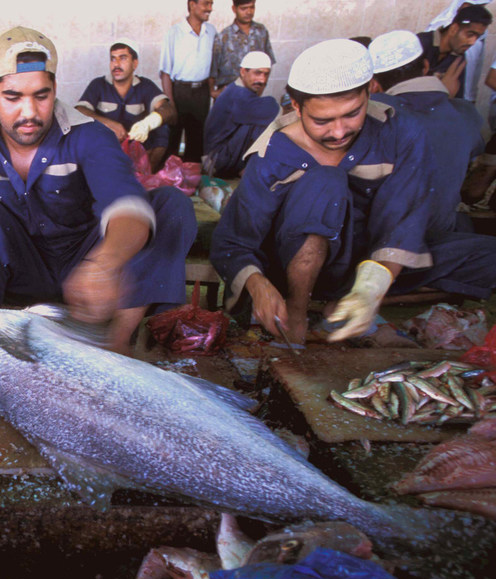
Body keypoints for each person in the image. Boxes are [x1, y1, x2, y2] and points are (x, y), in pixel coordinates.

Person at [0, 26, 198, 354]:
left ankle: (120, 339)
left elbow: (126, 206)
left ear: (54, 89)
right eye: (13, 97)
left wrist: (103, 265)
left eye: (40, 95)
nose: (29, 112)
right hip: (17, 279)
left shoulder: (89, 136)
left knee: (171, 205)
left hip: (90, 274)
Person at [210, 39, 496, 347]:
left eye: (352, 113)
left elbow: (404, 220)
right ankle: (298, 312)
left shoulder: (402, 133)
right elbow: (232, 240)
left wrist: (370, 287)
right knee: (327, 182)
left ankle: (354, 304)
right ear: (295, 106)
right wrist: (258, 285)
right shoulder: (274, 150)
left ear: (369, 91)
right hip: (294, 272)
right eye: (322, 120)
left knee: (486, 255)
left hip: (370, 263)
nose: (338, 131)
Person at [370, 30, 484, 235]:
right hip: (440, 234)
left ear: (373, 83)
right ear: (425, 67)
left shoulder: (372, 110)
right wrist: (444, 96)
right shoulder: (466, 113)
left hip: (383, 239)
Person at [76, 39, 177, 171]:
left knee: (162, 129)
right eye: (113, 59)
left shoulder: (145, 86)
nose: (116, 64)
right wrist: (108, 124)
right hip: (106, 148)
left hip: (138, 150)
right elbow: (79, 110)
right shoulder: (98, 85)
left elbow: (169, 110)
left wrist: (147, 124)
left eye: (123, 58)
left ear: (135, 63)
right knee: (81, 130)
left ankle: (145, 175)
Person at [202, 51, 278, 178]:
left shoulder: (235, 88)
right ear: (243, 72)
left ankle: (246, 167)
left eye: (266, 74)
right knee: (261, 122)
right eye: (257, 73)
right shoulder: (238, 95)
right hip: (216, 161)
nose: (262, 79)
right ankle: (246, 169)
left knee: (261, 116)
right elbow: (273, 108)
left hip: (219, 157)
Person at [160, 0, 216, 163]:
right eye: (206, 4)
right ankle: (168, 182)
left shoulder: (211, 32)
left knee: (197, 142)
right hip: (179, 92)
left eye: (211, 4)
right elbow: (165, 73)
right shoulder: (175, 33)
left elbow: (213, 67)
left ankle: (192, 182)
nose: (210, 9)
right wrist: (170, 103)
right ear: (192, 4)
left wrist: (211, 91)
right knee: (172, 140)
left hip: (202, 92)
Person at [417, 3, 492, 98]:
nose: (472, 42)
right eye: (470, 34)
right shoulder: (420, 44)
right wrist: (441, 90)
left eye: (477, 37)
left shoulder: (459, 58)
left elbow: (457, 99)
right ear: (454, 29)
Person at [211, 0, 274, 96]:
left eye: (252, 7)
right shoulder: (223, 37)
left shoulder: (261, 32)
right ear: (234, 9)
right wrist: (213, 93)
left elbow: (268, 63)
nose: (249, 12)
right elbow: (212, 71)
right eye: (243, 8)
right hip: (228, 97)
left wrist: (261, 87)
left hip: (253, 96)